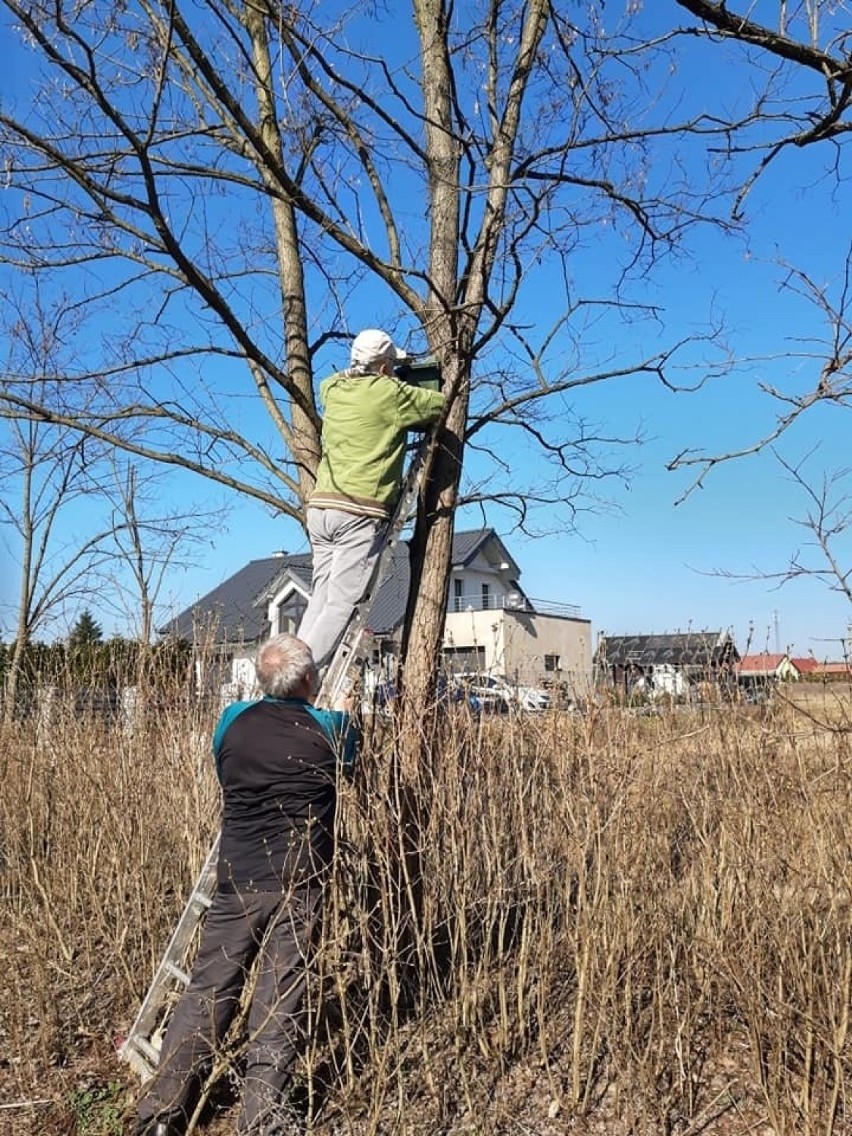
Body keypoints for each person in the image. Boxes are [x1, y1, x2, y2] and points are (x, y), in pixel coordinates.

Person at [134, 634, 356, 1136]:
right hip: (299, 884)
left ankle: (160, 1116)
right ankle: (261, 1120)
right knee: (280, 999)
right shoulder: (328, 731)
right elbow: (349, 764)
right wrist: (347, 711)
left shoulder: (231, 722)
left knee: (208, 993)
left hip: (237, 879)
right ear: (305, 680)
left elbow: (223, 768)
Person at [297, 328, 445, 670]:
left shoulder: (333, 389)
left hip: (321, 510)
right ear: (383, 367)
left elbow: (336, 381)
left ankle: (291, 664)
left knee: (321, 595)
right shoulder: (390, 394)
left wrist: (390, 367)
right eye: (391, 365)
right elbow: (436, 405)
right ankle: (297, 678)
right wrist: (406, 380)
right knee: (342, 603)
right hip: (358, 512)